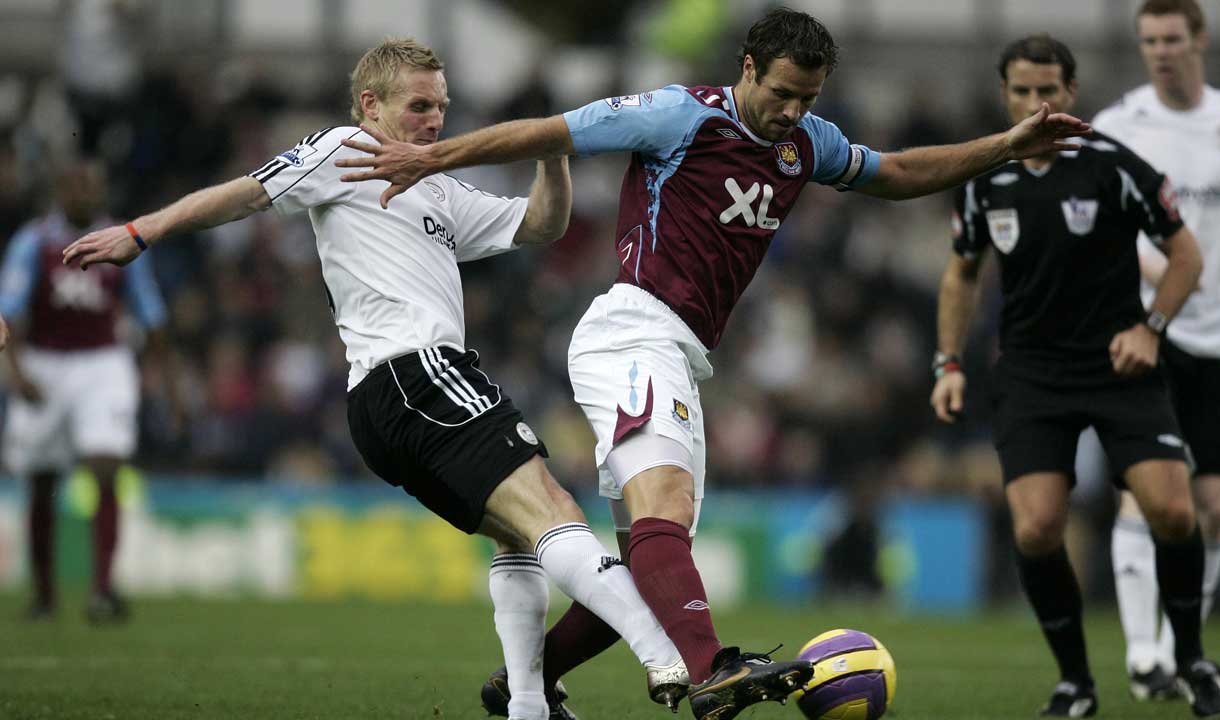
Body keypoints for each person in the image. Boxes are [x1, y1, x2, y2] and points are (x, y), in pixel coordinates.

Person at [331, 9, 1091, 719]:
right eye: (784, 94)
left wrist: (1005, 144)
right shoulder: (681, 113)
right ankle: (709, 672)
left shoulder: (808, 143)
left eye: (809, 97)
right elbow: (548, 129)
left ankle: (528, 680)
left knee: (659, 553)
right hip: (631, 328)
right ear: (749, 68)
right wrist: (430, 155)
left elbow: (894, 174)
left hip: (682, 352)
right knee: (663, 503)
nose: (793, 111)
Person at [61, 37, 720, 720]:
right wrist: (142, 231)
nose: (434, 120)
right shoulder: (342, 150)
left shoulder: (436, 184)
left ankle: (530, 707)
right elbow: (244, 195)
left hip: (387, 402)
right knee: (556, 513)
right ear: (370, 106)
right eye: (419, 106)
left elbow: (538, 225)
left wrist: (551, 148)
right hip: (417, 372)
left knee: (521, 537)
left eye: (441, 107)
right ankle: (665, 656)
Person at [930, 33, 1219, 717]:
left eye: (1048, 91)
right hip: (1031, 375)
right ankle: (1076, 683)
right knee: (1035, 530)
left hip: (1120, 366)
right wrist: (946, 363)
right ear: (1006, 96)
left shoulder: (1114, 166)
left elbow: (1185, 256)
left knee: (1175, 512)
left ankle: (1191, 660)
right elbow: (960, 273)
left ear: (1071, 93)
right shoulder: (985, 179)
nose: (1037, 103)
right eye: (1023, 91)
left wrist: (1151, 331)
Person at [1091, 0, 1220, 701]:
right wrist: (1158, 268)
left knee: (1213, 508)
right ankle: (1144, 656)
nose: (1162, 52)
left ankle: (1178, 652)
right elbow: (1095, 222)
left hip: (1219, 342)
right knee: (1148, 492)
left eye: (1173, 39)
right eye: (1150, 41)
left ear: (1198, 39)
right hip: (1151, 334)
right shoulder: (1120, 128)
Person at [0, 158, 173, 623]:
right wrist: (15, 373)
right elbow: (8, 311)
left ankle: (101, 590)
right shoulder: (34, 243)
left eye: (89, 185)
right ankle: (43, 595)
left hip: (102, 362)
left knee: (106, 465)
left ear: (100, 191)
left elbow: (150, 314)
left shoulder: (121, 239)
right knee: (41, 479)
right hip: (43, 361)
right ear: (59, 189)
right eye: (73, 184)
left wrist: (170, 387)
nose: (81, 193)